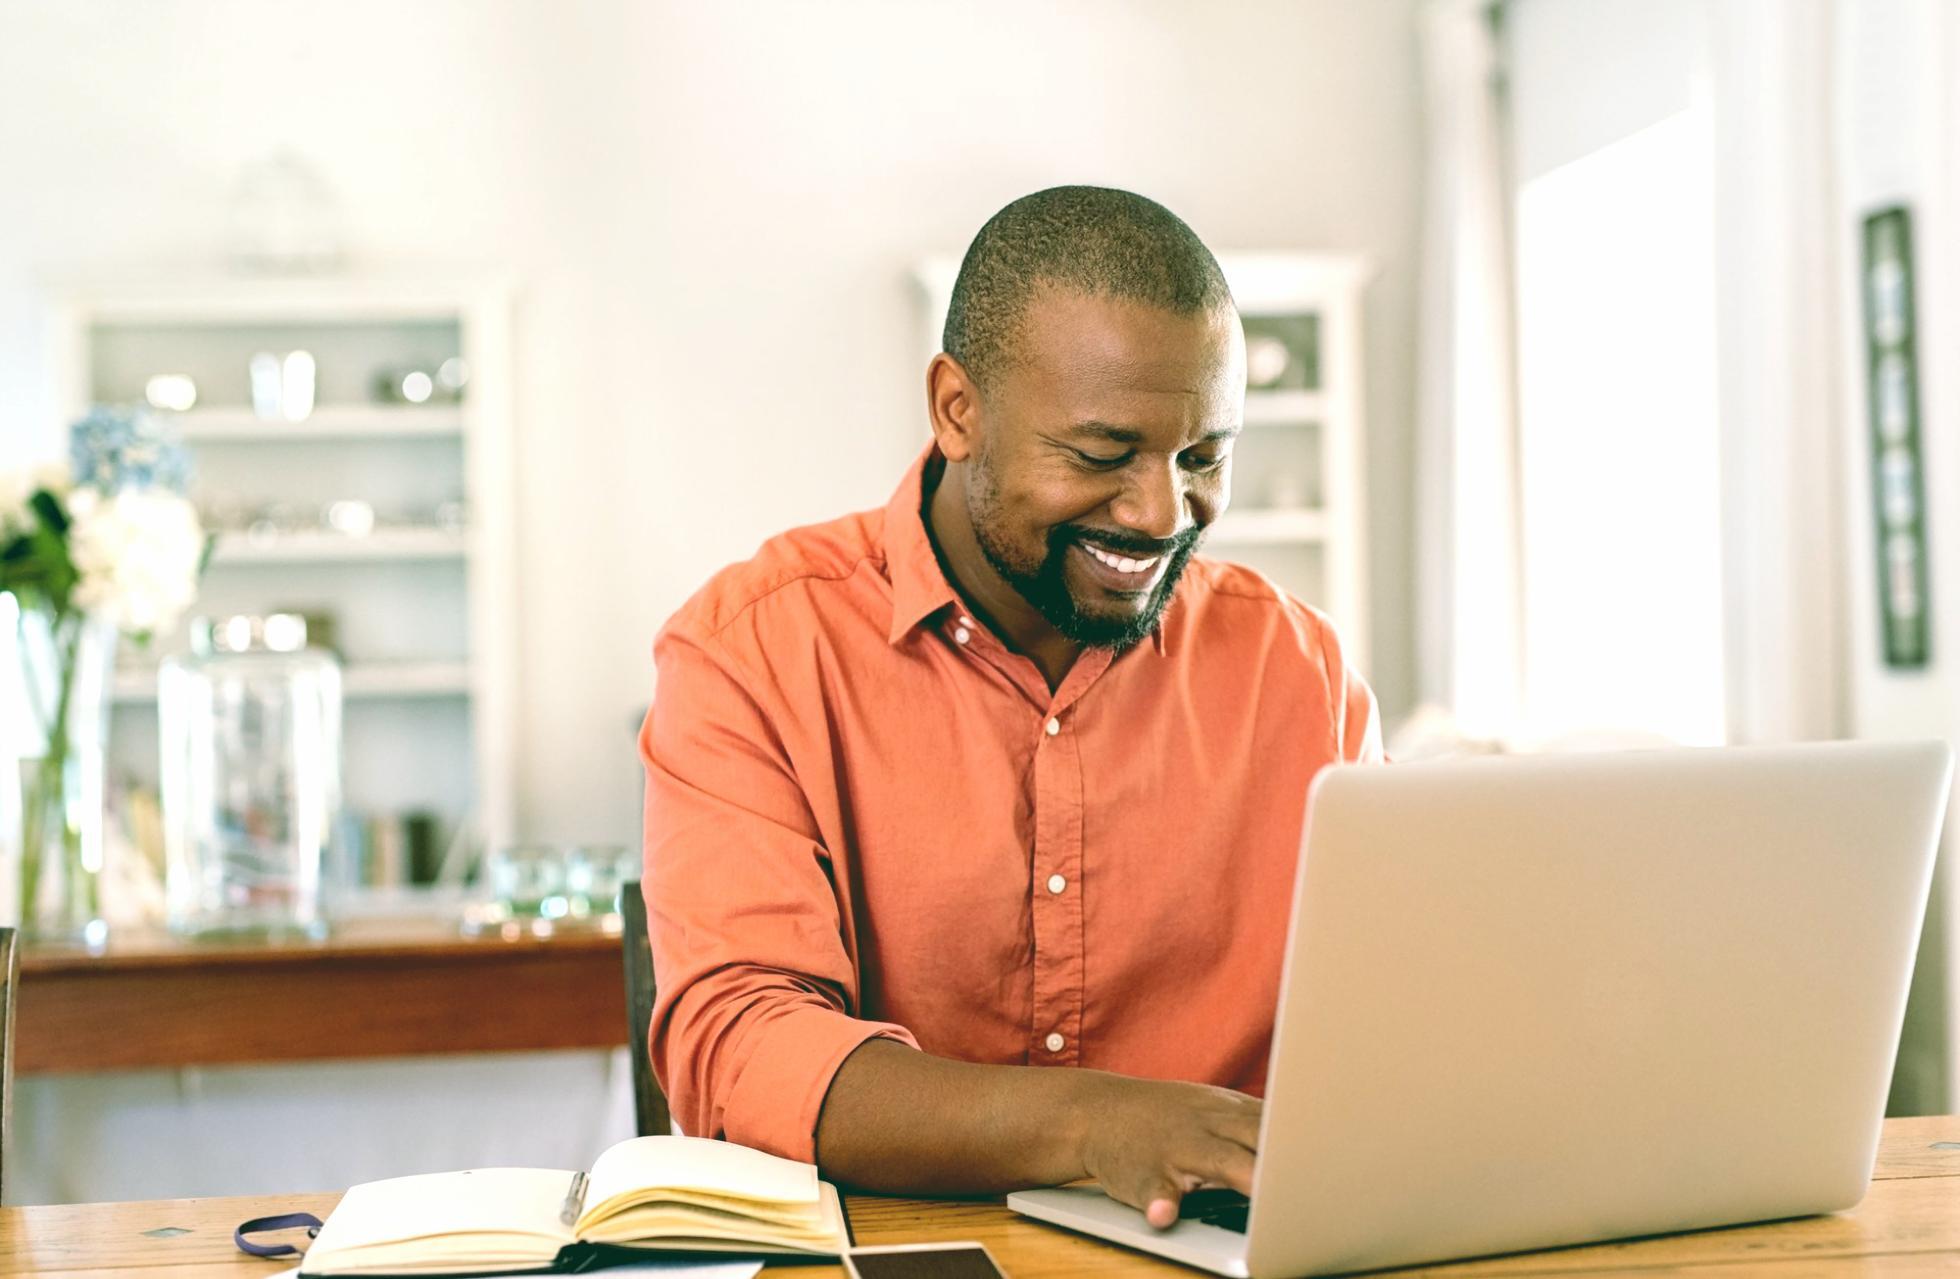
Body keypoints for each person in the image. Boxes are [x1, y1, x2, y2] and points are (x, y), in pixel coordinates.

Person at [640, 185, 1382, 1227]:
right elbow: (741, 1046)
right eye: (1101, 453)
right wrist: (1093, 1124)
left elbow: (1383, 1032)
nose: (1162, 512)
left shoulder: (1299, 673)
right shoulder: (751, 649)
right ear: (957, 409)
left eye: (1202, 457)